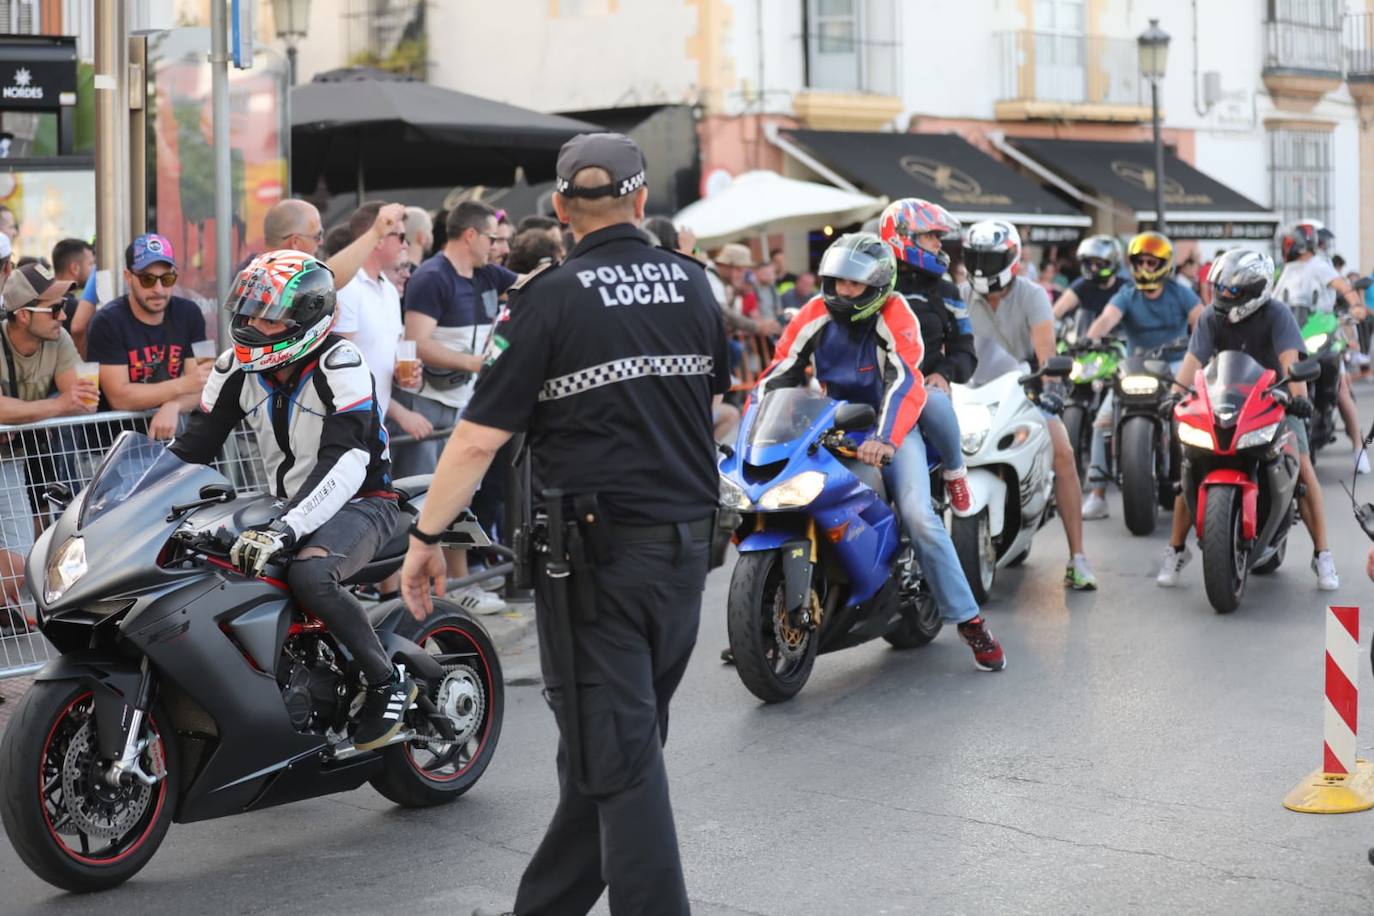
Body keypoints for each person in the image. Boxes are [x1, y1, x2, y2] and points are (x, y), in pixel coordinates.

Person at [400, 132, 728, 916]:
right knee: (616, 747)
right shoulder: (694, 286)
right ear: (643, 201)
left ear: (559, 209)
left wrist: (424, 539)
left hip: (595, 567)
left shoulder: (547, 297)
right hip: (685, 552)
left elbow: (478, 438)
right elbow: (713, 407)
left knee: (620, 757)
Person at [169, 250, 413, 750]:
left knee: (310, 574)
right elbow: (191, 449)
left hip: (365, 501)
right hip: (287, 505)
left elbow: (347, 462)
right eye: (250, 310)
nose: (254, 324)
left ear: (305, 319)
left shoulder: (340, 363)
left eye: (269, 315)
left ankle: (388, 682)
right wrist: (118, 501)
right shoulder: (234, 367)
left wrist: (286, 528)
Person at [756, 231, 1004, 671]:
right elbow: (780, 371)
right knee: (780, 495)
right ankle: (765, 616)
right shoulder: (814, 311)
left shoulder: (896, 312)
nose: (844, 292)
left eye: (855, 285)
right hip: (830, 424)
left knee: (918, 517)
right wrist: (755, 423)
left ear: (878, 287)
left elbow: (905, 380)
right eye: (837, 282)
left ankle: (971, 623)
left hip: (891, 428)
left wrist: (885, 438)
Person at [1156, 248, 1339, 591]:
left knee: (1301, 465)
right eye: (1221, 288)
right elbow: (1193, 362)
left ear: (1255, 290)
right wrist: (1175, 394)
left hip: (1274, 400)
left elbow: (1290, 363)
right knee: (1190, 465)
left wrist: (1298, 400)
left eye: (1232, 290)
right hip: (1223, 401)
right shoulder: (1212, 317)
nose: (1223, 295)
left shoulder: (1277, 314)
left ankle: (1323, 555)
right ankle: (1176, 549)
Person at [961, 220, 1098, 590]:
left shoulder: (1033, 295)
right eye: (974, 257)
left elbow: (1045, 353)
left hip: (1024, 390)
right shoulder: (960, 296)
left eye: (988, 259)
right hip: (972, 394)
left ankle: (1078, 558)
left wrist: (1051, 386)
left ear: (1011, 259)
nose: (980, 267)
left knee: (1064, 452)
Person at [398, 200, 514, 616]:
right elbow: (417, 341)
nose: (498, 246)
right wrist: (473, 363)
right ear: (470, 235)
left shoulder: (487, 274)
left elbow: (531, 283)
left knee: (460, 492)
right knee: (431, 496)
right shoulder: (432, 276)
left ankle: (461, 582)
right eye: (492, 238)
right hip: (428, 403)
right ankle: (441, 587)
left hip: (463, 399)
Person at [0, 263, 98, 631]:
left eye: (67, 304)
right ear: (23, 315)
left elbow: (82, 397)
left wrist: (19, 416)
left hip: (11, 460)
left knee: (17, 568)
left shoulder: (58, 339)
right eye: (54, 308)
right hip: (12, 457)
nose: (64, 315)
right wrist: (54, 406)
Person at [1080, 231, 1203, 519]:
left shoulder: (1180, 292)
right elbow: (1108, 318)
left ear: (1164, 264)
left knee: (1190, 422)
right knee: (1102, 422)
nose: (1145, 268)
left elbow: (1202, 320)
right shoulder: (1127, 294)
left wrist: (1203, 345)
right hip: (1135, 367)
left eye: (1151, 262)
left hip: (1175, 367)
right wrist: (1090, 338)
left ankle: (1192, 486)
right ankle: (1097, 494)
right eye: (1140, 262)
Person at [878, 197, 976, 512]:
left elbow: (965, 350)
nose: (938, 243)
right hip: (874, 388)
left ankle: (955, 472)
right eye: (930, 235)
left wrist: (944, 374)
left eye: (939, 236)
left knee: (933, 402)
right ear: (902, 237)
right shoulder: (873, 283)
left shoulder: (947, 291)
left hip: (922, 389)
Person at [85, 234, 212, 439]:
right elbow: (120, 397)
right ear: (129, 277)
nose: (158, 289)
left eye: (167, 278)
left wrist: (175, 404)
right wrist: (183, 385)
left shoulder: (190, 314)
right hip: (115, 445)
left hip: (173, 441)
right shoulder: (107, 322)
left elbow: (204, 385)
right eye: (147, 279)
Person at [1273, 220, 1369, 472]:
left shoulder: (1319, 265)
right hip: (1294, 337)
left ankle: (1359, 449)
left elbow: (1341, 286)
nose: (1286, 245)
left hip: (1324, 336)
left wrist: (1356, 305)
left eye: (1288, 241)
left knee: (1341, 392)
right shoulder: (1284, 270)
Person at [334, 202, 431, 444]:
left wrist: (402, 372)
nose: (406, 244)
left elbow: (384, 354)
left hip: (374, 426)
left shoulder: (388, 288)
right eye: (400, 236)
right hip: (344, 427)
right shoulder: (348, 287)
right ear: (377, 239)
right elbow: (336, 369)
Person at [1052, 235, 1127, 340]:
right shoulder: (1082, 285)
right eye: (1089, 263)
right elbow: (1056, 312)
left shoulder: (1125, 289)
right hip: (1084, 347)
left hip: (1119, 348)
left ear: (1112, 263)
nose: (1093, 268)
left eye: (1099, 264)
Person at [51, 238, 94, 337]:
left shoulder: (45, 298)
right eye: (90, 264)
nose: (93, 270)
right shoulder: (71, 306)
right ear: (75, 268)